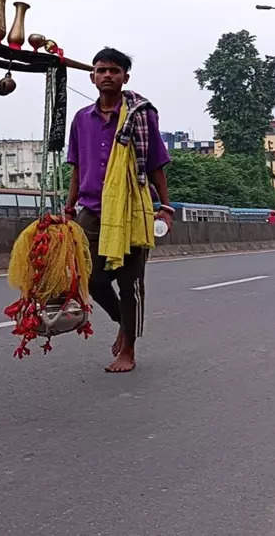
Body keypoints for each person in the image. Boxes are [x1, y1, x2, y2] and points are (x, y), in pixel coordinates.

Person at [65, 47, 173, 373]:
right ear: (92, 76)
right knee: (94, 281)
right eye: (101, 70)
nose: (107, 75)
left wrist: (165, 207)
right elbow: (76, 165)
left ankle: (128, 349)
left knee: (130, 284)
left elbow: (155, 164)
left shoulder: (140, 116)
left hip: (131, 210)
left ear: (125, 77)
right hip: (91, 211)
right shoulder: (82, 119)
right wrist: (69, 206)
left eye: (114, 70)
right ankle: (123, 324)